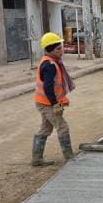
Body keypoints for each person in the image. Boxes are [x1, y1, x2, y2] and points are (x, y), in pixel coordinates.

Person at [31, 32, 75, 166]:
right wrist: (55, 105)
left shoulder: (51, 61)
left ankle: (37, 159)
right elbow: (48, 88)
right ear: (50, 49)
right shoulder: (50, 65)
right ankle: (70, 157)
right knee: (63, 127)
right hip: (47, 103)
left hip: (44, 102)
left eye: (61, 47)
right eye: (58, 49)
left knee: (45, 129)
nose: (61, 51)